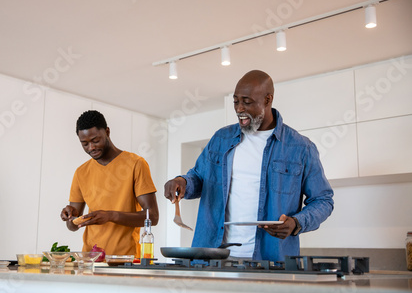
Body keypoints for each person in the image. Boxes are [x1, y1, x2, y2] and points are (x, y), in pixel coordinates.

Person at [164, 70, 334, 262]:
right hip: (213, 258)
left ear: (268, 100)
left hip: (269, 261)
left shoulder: (301, 148)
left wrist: (296, 223)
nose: (239, 109)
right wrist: (182, 182)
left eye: (247, 101)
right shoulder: (221, 138)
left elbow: (323, 200)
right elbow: (198, 177)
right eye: (236, 101)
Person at [61, 110, 159, 257]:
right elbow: (73, 226)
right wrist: (69, 216)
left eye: (95, 140)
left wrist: (111, 216)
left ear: (107, 132)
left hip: (126, 260)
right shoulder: (81, 172)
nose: (91, 148)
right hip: (90, 260)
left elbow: (152, 216)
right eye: (85, 144)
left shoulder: (136, 164)